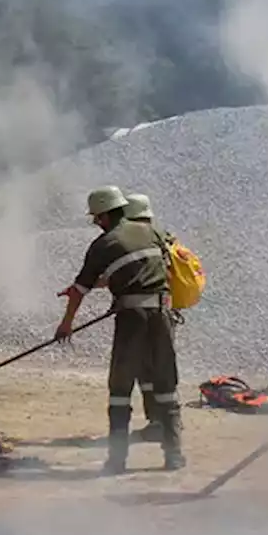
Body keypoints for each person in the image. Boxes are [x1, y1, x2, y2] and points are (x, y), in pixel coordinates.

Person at [55, 185, 184, 473]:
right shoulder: (152, 232)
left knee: (120, 388)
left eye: (96, 218)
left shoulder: (104, 244)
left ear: (102, 216)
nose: (96, 223)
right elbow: (141, 267)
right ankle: (174, 454)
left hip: (132, 319)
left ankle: (117, 460)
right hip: (163, 314)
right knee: (166, 383)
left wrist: (66, 325)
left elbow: (79, 291)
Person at [120, 193, 177, 443]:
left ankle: (158, 424)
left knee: (147, 371)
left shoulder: (140, 239)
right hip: (165, 312)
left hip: (145, 315)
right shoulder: (162, 236)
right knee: (160, 370)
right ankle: (165, 424)